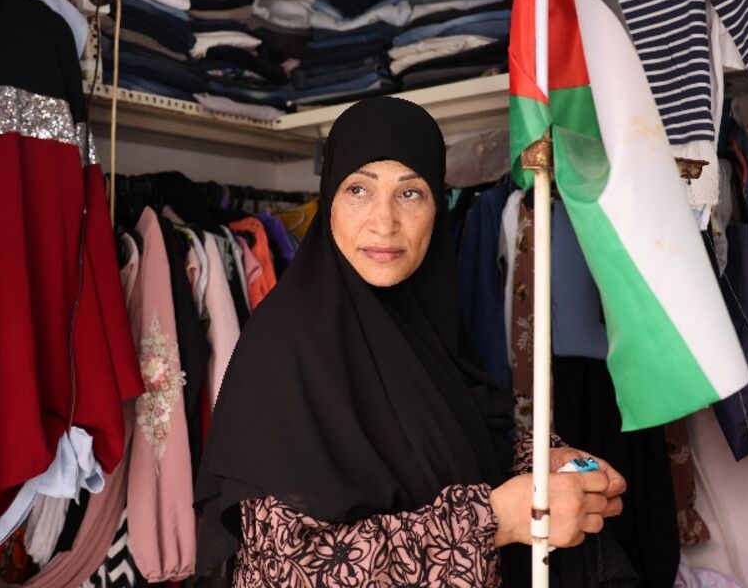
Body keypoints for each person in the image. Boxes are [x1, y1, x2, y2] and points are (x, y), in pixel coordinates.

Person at [195, 96, 626, 586]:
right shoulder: (282, 350)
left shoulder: (423, 324)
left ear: (436, 207)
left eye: (410, 193)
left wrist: (541, 462)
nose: (384, 222)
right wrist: (492, 521)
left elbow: (457, 441)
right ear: (329, 199)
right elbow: (291, 568)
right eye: (359, 189)